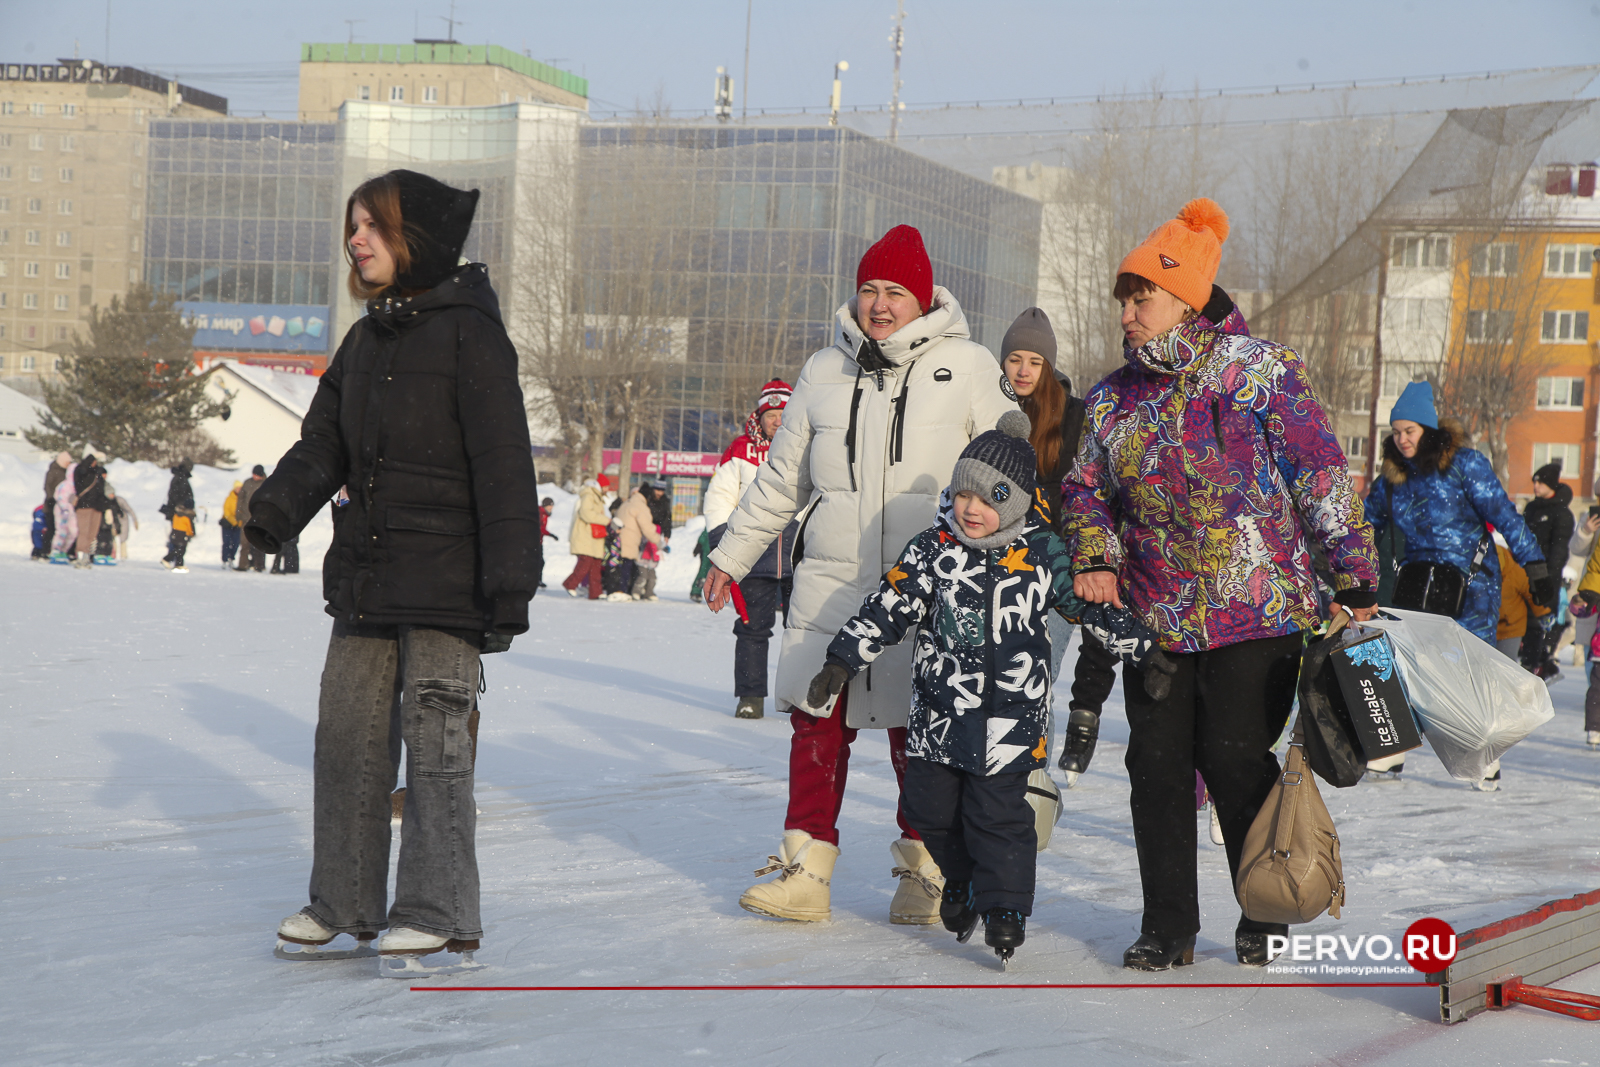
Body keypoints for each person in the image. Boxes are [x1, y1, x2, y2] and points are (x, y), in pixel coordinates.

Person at [1063, 198, 1380, 970]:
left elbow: (1321, 474)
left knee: (1237, 759)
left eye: (1142, 296)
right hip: (1157, 619)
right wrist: (1096, 554)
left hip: (1259, 612)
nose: (1128, 312)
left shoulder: (1261, 373)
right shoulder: (1111, 399)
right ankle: (1167, 924)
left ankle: (1261, 902)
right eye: (1125, 299)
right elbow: (1082, 490)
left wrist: (1355, 569)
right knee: (1156, 767)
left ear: (1187, 298)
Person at [244, 168, 541, 971]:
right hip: (369, 577)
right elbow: (323, 443)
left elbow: (504, 462)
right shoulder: (367, 336)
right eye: (353, 225)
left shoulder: (469, 333)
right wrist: (276, 509)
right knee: (344, 736)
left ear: (419, 239)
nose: (356, 238)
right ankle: (342, 901)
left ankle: (436, 908)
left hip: (450, 581)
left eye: (373, 225)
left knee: (437, 743)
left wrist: (510, 580)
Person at [702, 224, 1016, 926]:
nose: (878, 305)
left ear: (923, 296)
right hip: (831, 585)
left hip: (928, 585)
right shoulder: (823, 371)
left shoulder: (966, 365)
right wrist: (731, 555)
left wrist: (1004, 560)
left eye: (895, 291)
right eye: (869, 289)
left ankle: (926, 869)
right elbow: (780, 484)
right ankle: (806, 868)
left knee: (921, 735)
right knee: (817, 722)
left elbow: (1009, 473)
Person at [807, 412, 1174, 962]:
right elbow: (889, 606)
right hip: (938, 716)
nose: (972, 509)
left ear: (1017, 500)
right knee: (926, 807)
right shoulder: (933, 549)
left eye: (990, 497)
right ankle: (960, 880)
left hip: (1012, 719)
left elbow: (1087, 609)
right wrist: (841, 660)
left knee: (998, 819)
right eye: (963, 495)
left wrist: (1143, 651)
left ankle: (1004, 910)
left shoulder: (1042, 553)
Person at [997, 307, 1118, 787]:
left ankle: (1028, 787)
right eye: (1014, 360)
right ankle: (1004, 783)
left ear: (1048, 366)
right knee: (1000, 683)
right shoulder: (987, 410)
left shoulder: (1075, 417)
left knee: (1032, 678)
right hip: (996, 569)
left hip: (1056, 572)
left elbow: (1092, 493)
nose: (1023, 371)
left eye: (1034, 361)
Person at [703, 380, 802, 719]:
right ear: (758, 417)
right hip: (751, 559)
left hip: (798, 557)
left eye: (783, 413)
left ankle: (800, 696)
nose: (776, 420)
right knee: (751, 629)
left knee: (802, 630)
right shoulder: (741, 450)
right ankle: (750, 697)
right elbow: (719, 499)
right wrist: (722, 542)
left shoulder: (807, 447)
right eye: (770, 414)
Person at [1520, 463, 1575, 680]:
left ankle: (1534, 667)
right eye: (1534, 481)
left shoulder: (1562, 513)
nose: (1535, 486)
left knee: (1537, 626)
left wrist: (1547, 580)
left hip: (1544, 579)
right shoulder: (1532, 508)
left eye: (1540, 482)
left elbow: (1559, 551)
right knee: (1520, 623)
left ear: (1550, 484)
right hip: (1522, 574)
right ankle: (1534, 662)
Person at [1496, 534, 1548, 661]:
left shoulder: (1514, 571)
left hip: (1511, 626)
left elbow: (1530, 592)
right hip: (1488, 625)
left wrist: (1544, 613)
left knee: (1506, 665)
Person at [562, 477, 610, 599]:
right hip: (585, 537)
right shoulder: (589, 496)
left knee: (596, 566)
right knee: (585, 563)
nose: (607, 490)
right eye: (606, 487)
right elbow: (586, 513)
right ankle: (570, 584)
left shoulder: (596, 498)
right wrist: (607, 521)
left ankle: (595, 592)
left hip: (593, 538)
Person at [617, 482, 663, 602]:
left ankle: (618, 589)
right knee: (627, 566)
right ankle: (622, 591)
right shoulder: (641, 506)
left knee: (619, 566)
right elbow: (647, 527)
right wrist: (658, 541)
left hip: (618, 539)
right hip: (629, 539)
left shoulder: (628, 502)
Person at [71, 453, 109, 571]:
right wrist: (90, 459)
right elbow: (81, 473)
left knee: (92, 533)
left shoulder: (97, 474)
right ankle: (80, 555)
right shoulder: (82, 471)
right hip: (84, 506)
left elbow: (101, 491)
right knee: (84, 531)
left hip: (97, 507)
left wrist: (104, 506)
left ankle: (87, 556)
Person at [160, 459, 196, 573]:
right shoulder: (181, 478)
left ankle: (174, 560)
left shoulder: (178, 477)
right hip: (179, 514)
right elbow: (176, 496)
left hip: (177, 512)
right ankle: (173, 560)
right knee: (179, 539)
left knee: (177, 538)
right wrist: (184, 508)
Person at [34, 451, 71, 560]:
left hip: (62, 505)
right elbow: (48, 486)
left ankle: (57, 550)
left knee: (61, 530)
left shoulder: (66, 472)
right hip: (51, 505)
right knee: (51, 529)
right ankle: (45, 551)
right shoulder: (53, 471)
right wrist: (51, 498)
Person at [235, 465, 267, 572]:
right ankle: (242, 565)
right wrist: (239, 513)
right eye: (253, 474)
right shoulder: (247, 483)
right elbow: (240, 499)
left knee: (259, 544)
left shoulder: (266, 484)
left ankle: (259, 566)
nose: (255, 476)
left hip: (260, 520)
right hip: (246, 518)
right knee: (244, 543)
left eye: (257, 475)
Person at [48, 458, 78, 563]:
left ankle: (64, 550)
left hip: (72, 512)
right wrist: (64, 508)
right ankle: (56, 550)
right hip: (62, 510)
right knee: (62, 531)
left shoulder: (77, 486)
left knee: (73, 531)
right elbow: (60, 498)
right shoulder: (64, 485)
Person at [220, 481, 243, 569]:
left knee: (236, 543)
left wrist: (239, 522)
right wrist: (234, 521)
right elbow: (226, 512)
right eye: (237, 488)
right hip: (227, 524)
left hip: (238, 525)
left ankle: (231, 558)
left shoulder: (242, 499)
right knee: (226, 542)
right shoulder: (229, 499)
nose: (239, 490)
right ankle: (224, 560)